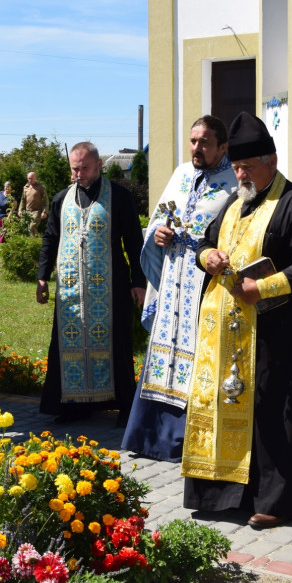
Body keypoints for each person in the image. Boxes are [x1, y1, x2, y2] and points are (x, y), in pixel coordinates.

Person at [182, 112, 292, 529]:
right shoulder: (235, 203)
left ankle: (278, 500)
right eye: (235, 168)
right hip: (230, 332)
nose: (240, 175)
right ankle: (226, 493)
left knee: (274, 412)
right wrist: (206, 258)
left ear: (272, 160)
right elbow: (206, 242)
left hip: (278, 331)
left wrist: (260, 290)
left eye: (247, 167)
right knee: (233, 406)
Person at [122, 115, 237, 460]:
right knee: (164, 350)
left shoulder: (234, 182)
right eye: (193, 141)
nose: (196, 148)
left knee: (200, 353)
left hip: (204, 283)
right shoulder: (181, 174)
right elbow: (160, 216)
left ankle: (190, 439)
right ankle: (148, 437)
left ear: (222, 147)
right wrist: (157, 232)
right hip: (172, 278)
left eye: (204, 142)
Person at [36, 142, 146, 423]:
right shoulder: (62, 199)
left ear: (99, 165)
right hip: (71, 289)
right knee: (68, 343)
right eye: (74, 168)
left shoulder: (119, 196)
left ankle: (123, 406)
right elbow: (51, 237)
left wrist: (138, 281)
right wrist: (42, 276)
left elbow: (134, 240)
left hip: (112, 285)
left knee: (117, 344)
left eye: (84, 168)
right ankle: (73, 406)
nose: (79, 174)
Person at [17, 171, 48, 237]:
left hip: (37, 211)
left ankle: (34, 241)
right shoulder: (25, 187)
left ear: (35, 178)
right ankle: (34, 242)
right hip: (28, 212)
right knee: (29, 229)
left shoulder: (40, 187)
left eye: (31, 178)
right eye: (28, 178)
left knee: (32, 226)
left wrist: (44, 211)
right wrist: (20, 210)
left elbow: (45, 200)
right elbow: (23, 200)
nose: (29, 180)